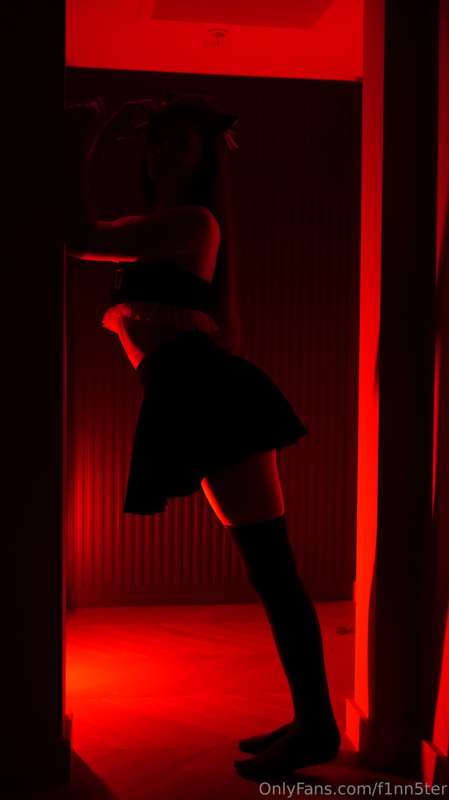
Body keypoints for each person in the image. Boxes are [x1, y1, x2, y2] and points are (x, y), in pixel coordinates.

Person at [64, 93, 341, 779]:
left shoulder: (192, 222)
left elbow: (78, 234)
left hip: (213, 396)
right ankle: (310, 720)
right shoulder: (158, 227)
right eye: (158, 140)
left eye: (181, 143)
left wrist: (86, 134)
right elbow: (91, 240)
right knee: (266, 566)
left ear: (202, 160)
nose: (164, 152)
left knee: (271, 566)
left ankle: (316, 727)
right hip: (187, 396)